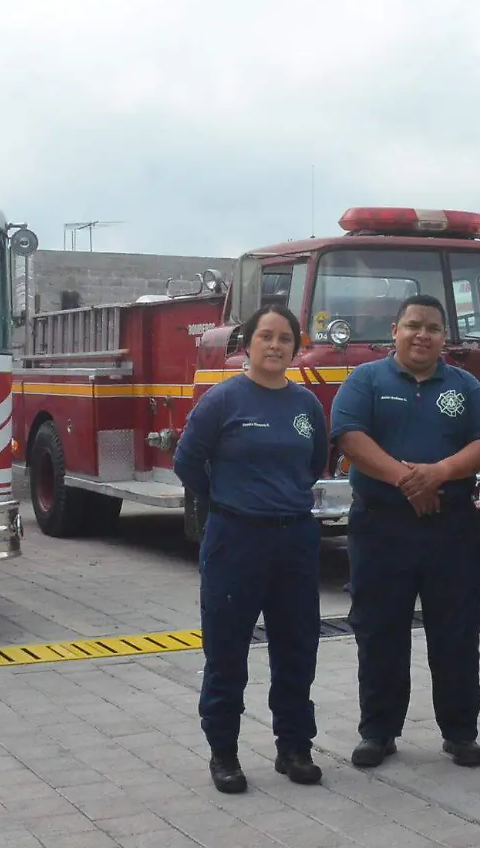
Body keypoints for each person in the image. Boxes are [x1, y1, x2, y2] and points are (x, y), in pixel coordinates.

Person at [330, 294, 480, 769]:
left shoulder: (464, 386)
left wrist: (439, 473)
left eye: (433, 328)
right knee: (380, 631)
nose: (422, 335)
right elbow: (348, 435)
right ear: (395, 331)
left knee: (458, 632)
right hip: (381, 528)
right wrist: (408, 480)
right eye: (413, 326)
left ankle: (460, 732)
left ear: (446, 337)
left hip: (452, 530)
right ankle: (378, 732)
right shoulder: (366, 379)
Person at [173, 304, 330, 795]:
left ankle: (295, 747)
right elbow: (187, 462)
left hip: (295, 540)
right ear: (247, 343)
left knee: (297, 647)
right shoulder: (223, 400)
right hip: (235, 540)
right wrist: (227, 499)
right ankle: (225, 753)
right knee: (226, 650)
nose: (275, 346)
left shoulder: (306, 405)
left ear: (295, 347)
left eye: (285, 338)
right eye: (266, 336)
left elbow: (315, 464)